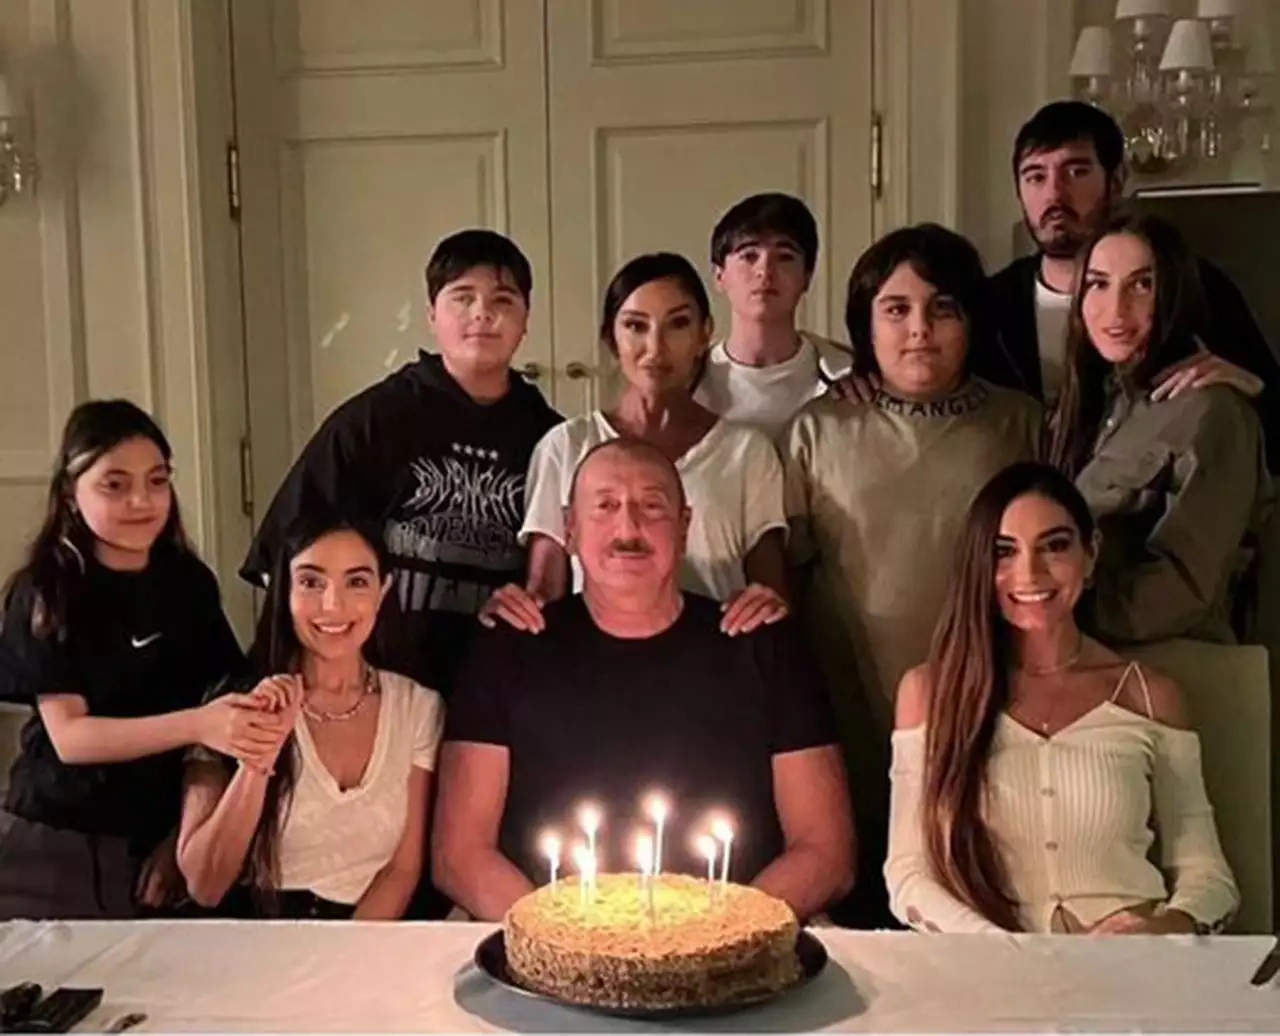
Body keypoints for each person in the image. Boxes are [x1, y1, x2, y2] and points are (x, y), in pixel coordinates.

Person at [433, 439, 854, 922]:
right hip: (540, 933)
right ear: (569, 528)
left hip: (736, 937)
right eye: (605, 506)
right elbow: (459, 854)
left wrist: (720, 937)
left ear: (685, 526)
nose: (628, 529)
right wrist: (561, 941)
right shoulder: (508, 647)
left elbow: (826, 852)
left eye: (652, 507)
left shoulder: (762, 646)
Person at [782, 223, 1041, 926]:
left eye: (942, 308)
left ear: (972, 320)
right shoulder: (818, 430)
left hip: (988, 706)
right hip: (850, 709)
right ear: (865, 325)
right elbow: (786, 578)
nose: (919, 329)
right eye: (896, 309)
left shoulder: (1022, 425)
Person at [885, 461, 1238, 934]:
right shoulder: (930, 693)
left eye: (1054, 546)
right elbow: (908, 874)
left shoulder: (1150, 696)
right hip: (988, 964)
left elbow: (1209, 878)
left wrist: (1162, 929)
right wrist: (999, 949)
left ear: (1090, 553)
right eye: (1004, 552)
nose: (1029, 573)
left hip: (1132, 963)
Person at [241, 229, 562, 698]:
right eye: (462, 297)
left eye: (503, 300)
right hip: (380, 685)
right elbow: (289, 553)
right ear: (432, 314)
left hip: (497, 684)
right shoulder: (373, 421)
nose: (482, 313)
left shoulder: (552, 438)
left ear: (525, 319)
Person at [0, 400, 265, 920]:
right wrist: (199, 723)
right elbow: (72, 738)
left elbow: (223, 694)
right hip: (57, 835)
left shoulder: (188, 582)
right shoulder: (47, 591)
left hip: (159, 833)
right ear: (71, 493)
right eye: (114, 485)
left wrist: (181, 837)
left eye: (157, 481)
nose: (141, 501)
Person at [482, 252, 788, 637]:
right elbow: (545, 589)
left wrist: (763, 607)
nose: (655, 348)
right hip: (596, 659)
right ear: (611, 336)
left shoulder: (747, 453)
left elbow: (770, 593)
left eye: (678, 324)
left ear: (705, 333)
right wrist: (515, 613)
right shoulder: (566, 446)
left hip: (716, 659)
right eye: (635, 326)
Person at [179, 514, 443, 919]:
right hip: (258, 933)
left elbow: (402, 870)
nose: (333, 605)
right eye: (311, 582)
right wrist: (259, 754)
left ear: (383, 591)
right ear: (284, 589)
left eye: (357, 582)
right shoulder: (232, 705)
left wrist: (346, 952)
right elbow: (205, 886)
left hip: (366, 937)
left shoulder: (417, 706)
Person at [985, 100, 1278, 464]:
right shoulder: (988, 304)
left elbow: (1268, 414)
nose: (1054, 194)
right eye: (1035, 177)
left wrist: (1252, 391)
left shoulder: (1190, 284)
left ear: (1116, 182)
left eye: (1076, 172)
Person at [1046, 214, 1270, 646]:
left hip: (1168, 661)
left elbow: (1185, 585)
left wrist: (1061, 614)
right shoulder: (1088, 405)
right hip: (1084, 656)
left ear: (1173, 294)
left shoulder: (1210, 411)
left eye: (1141, 285)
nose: (1116, 309)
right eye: (1098, 284)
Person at [693, 192, 853, 438]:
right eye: (749, 256)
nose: (765, 271)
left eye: (785, 257)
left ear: (807, 277)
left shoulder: (848, 375)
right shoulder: (688, 380)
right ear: (719, 275)